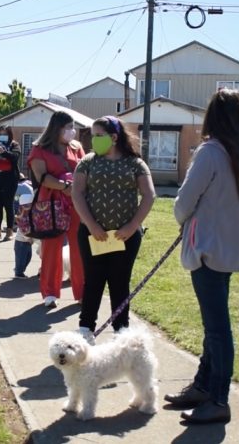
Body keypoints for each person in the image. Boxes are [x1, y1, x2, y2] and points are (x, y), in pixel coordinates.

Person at [165, 89, 239, 425]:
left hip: (207, 251)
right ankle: (205, 387)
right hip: (225, 252)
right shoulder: (237, 153)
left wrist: (183, 217)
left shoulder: (209, 152)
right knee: (214, 326)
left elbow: (183, 203)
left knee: (217, 329)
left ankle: (218, 398)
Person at [71, 116, 155, 343]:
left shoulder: (135, 164)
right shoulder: (87, 162)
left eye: (99, 136)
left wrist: (132, 226)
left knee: (120, 283)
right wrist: (92, 225)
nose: (93, 140)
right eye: (92, 135)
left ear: (114, 137)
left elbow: (149, 195)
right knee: (93, 281)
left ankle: (121, 334)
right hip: (92, 235)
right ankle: (86, 330)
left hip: (125, 237)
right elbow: (77, 193)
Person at [28, 111, 85, 308]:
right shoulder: (39, 149)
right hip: (51, 204)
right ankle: (50, 293)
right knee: (51, 248)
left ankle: (82, 292)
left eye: (72, 127)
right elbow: (41, 176)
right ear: (57, 128)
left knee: (80, 248)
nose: (72, 131)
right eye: (68, 127)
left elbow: (84, 170)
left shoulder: (76, 147)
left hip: (77, 203)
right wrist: (65, 187)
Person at [14, 193, 35, 279]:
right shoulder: (22, 217)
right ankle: (18, 272)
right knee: (21, 258)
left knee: (28, 258)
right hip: (21, 242)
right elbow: (23, 230)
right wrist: (29, 238)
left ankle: (19, 269)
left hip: (27, 242)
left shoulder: (30, 215)